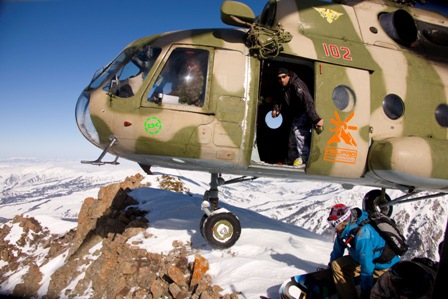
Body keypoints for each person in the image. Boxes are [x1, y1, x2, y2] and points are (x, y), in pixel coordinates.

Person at [327, 204, 400, 299]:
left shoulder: (362, 235)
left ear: (342, 222)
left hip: (383, 266)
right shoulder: (344, 230)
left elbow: (367, 268)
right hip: (363, 260)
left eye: (334, 224)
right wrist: (330, 271)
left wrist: (366, 294)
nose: (333, 227)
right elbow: (337, 250)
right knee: (336, 265)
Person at [272, 67, 324, 167]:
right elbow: (279, 99)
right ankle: (292, 157)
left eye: (284, 77)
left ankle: (303, 157)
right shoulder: (284, 86)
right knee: (292, 134)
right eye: (279, 78)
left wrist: (315, 119)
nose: (282, 80)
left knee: (298, 131)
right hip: (296, 113)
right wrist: (276, 108)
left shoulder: (297, 85)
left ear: (289, 76)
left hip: (304, 111)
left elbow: (307, 101)